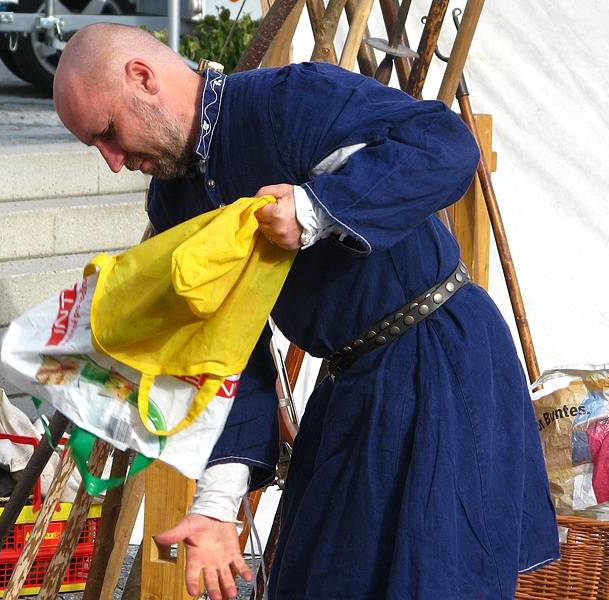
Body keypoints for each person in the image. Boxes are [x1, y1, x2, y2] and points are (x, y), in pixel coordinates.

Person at [53, 23, 560, 600]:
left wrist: (316, 208)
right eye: (97, 149)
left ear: (142, 79)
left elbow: (444, 144)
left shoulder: (288, 102)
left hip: (439, 361)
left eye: (109, 133)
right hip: (351, 383)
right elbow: (225, 349)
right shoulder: (175, 200)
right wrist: (218, 505)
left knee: (427, 580)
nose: (114, 161)